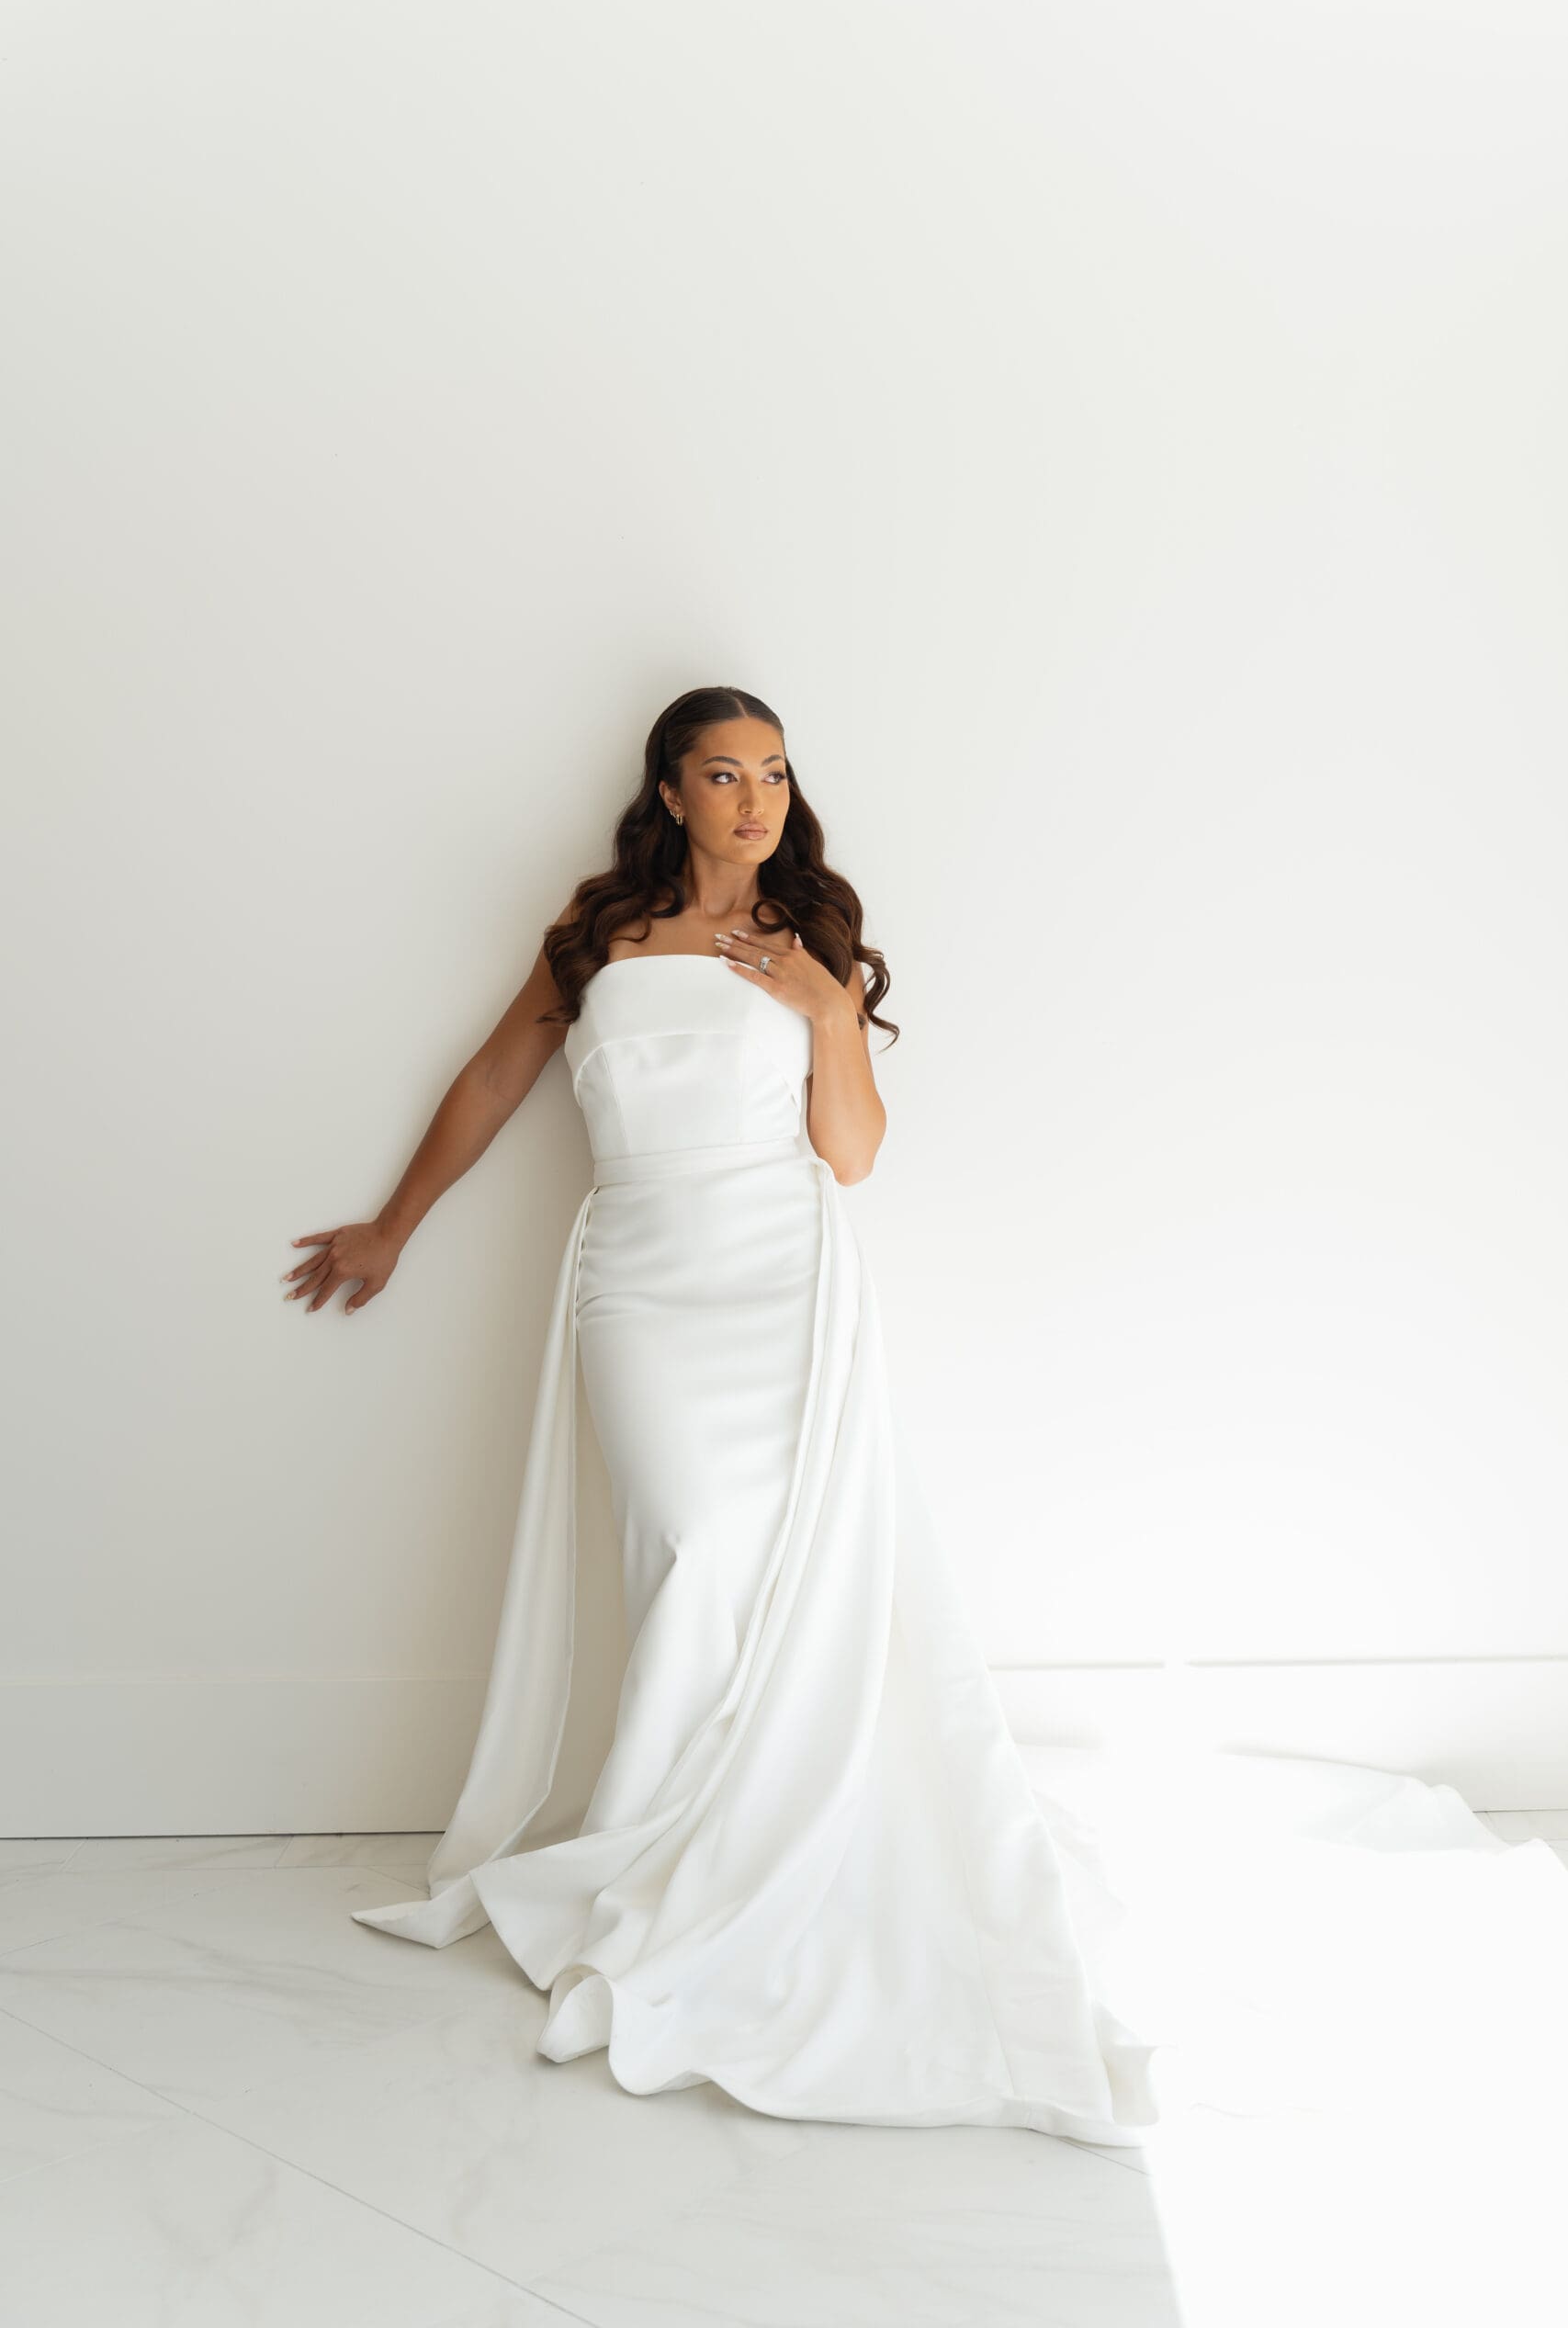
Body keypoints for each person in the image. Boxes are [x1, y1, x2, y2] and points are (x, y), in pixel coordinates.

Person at [287, 685, 1568, 2153]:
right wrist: (394, 1224)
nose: (756, 800)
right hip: (640, 1278)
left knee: (778, 1566)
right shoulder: (599, 932)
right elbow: (499, 1071)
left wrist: (828, 1008)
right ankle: (676, 1827)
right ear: (671, 792)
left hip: (782, 1278)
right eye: (725, 774)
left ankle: (751, 1828)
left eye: (775, 773)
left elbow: (851, 1154)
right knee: (688, 1547)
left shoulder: (809, 938)